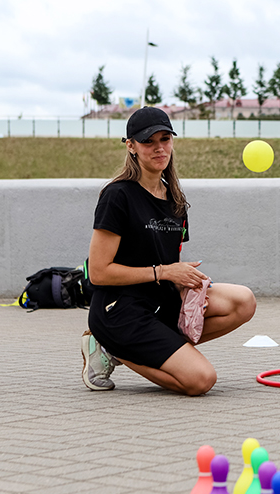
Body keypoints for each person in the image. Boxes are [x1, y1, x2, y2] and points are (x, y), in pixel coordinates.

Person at [81, 107, 256, 395]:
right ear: (131, 146)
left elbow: (164, 260)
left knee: (243, 301)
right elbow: (98, 273)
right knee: (201, 380)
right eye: (148, 141)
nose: (159, 148)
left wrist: (183, 278)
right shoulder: (118, 196)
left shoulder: (174, 198)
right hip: (120, 311)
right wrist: (163, 272)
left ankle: (159, 346)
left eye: (165, 139)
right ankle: (111, 346)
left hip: (160, 301)